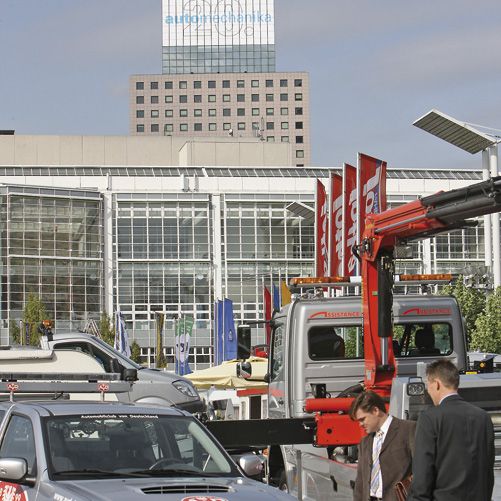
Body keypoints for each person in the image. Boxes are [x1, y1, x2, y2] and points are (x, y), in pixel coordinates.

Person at [408, 359, 494, 501]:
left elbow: (423, 473)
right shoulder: (483, 417)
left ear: (436, 384)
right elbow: (487, 469)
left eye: (428, 385)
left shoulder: (430, 418)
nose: (428, 390)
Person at [350, 391, 416, 501]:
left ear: (375, 411)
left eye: (362, 419)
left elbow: (423, 470)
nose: (360, 424)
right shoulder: (365, 443)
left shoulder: (408, 430)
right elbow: (360, 483)